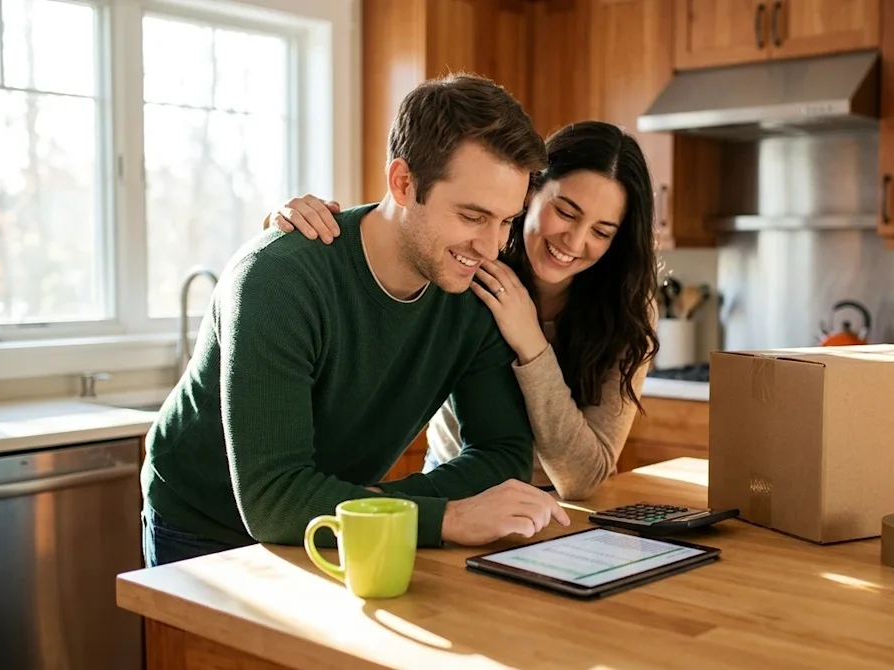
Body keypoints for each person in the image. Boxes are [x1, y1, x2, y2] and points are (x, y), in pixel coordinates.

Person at [140, 73, 571, 568]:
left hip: (338, 522)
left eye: (507, 221)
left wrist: (375, 506)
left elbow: (503, 454)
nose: (492, 246)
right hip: (206, 527)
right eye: (473, 216)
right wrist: (443, 516)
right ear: (404, 183)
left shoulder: (476, 286)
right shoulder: (277, 282)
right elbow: (275, 501)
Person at [267, 120, 660, 501]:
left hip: (561, 511)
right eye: (566, 212)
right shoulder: (460, 268)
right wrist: (289, 229)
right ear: (528, 192)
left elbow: (583, 479)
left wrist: (532, 345)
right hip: (457, 494)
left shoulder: (627, 312)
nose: (575, 240)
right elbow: (399, 234)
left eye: (602, 231)